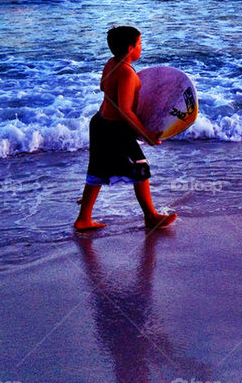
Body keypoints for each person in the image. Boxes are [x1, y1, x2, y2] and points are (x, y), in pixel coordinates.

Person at [74, 26, 176, 231]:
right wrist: (146, 135)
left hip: (99, 123)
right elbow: (125, 112)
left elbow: (104, 86)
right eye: (139, 44)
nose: (141, 48)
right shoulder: (128, 74)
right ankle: (150, 216)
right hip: (115, 129)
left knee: (97, 170)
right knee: (141, 167)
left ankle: (84, 218)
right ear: (130, 48)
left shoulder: (112, 63)